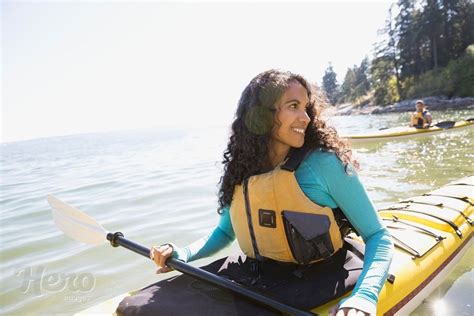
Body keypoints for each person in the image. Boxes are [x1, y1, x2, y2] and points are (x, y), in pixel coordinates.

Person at [150, 70, 393, 316]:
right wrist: (184, 254)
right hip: (257, 275)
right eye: (293, 106)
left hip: (319, 276)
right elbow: (225, 231)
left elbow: (378, 235)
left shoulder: (324, 164)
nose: (305, 117)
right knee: (141, 306)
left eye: (306, 108)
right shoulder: (241, 170)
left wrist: (365, 296)